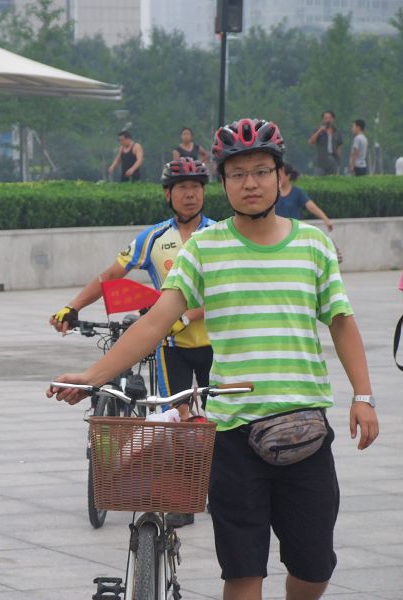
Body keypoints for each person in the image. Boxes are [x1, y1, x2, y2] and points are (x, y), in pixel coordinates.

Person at [49, 118, 379, 600]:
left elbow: (342, 321)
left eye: (261, 170)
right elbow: (155, 322)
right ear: (223, 183)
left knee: (314, 568)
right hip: (233, 436)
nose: (251, 183)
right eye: (238, 173)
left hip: (304, 429)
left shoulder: (313, 245)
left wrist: (363, 396)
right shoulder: (204, 247)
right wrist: (93, 376)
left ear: (280, 176)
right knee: (242, 572)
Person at [50, 157, 215, 527]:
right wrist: (71, 306)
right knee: (178, 418)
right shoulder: (153, 238)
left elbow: (229, 293)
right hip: (171, 346)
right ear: (168, 194)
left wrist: (186, 316)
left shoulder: (220, 234)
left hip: (217, 344)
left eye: (196, 187)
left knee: (223, 419)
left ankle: (222, 488)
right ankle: (184, 500)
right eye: (182, 188)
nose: (190, 194)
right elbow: (110, 276)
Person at [276, 164, 334, 231]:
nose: (277, 177)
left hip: (293, 232)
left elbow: (311, 207)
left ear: (288, 176)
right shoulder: (272, 193)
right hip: (276, 232)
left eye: (280, 175)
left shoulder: (298, 192)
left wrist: (326, 220)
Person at [308, 110, 343, 175]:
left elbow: (339, 146)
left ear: (333, 119)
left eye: (329, 118)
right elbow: (311, 142)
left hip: (333, 158)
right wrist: (319, 131)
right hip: (321, 159)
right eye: (325, 118)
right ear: (323, 120)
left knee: (333, 180)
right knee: (318, 179)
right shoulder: (318, 130)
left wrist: (338, 159)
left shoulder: (337, 132)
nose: (328, 120)